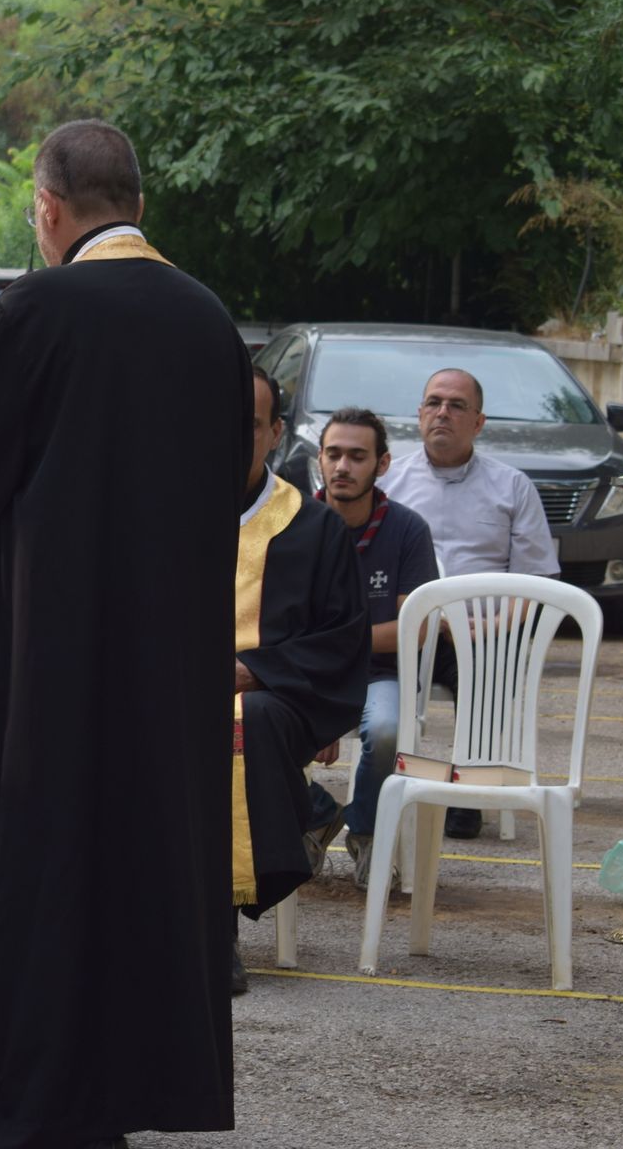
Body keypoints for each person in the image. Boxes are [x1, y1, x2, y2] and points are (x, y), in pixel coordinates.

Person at [0, 118, 251, 1148]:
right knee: (152, 847)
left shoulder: (39, 306)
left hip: (54, 646)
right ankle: (142, 1084)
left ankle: (40, 1092)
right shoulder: (208, 317)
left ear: (49, 210)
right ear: (140, 206)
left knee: (47, 848)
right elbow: (235, 477)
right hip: (172, 649)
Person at [228, 370, 368, 995]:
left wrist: (253, 670)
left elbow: (342, 638)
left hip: (271, 699)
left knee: (242, 724)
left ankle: (216, 926)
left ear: (275, 433)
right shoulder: (162, 517)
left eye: (250, 425)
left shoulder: (314, 528)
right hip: (168, 692)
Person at [378, 367, 558, 838]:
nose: (443, 413)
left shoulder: (512, 486)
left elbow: (536, 582)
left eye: (457, 406)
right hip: (405, 630)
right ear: (419, 414)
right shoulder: (388, 482)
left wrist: (489, 628)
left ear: (478, 422)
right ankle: (379, 791)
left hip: (481, 635)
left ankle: (466, 794)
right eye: (434, 403)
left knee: (488, 666)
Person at [314, 407, 439, 885]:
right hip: (306, 672)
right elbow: (279, 625)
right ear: (319, 459)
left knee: (386, 730)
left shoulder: (407, 529)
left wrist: (336, 642)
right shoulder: (295, 522)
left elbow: (413, 629)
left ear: (382, 464)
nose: (343, 466)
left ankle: (366, 832)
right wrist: (319, 700)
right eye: (333, 454)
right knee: (251, 727)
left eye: (357, 456)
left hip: (379, 673)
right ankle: (315, 815)